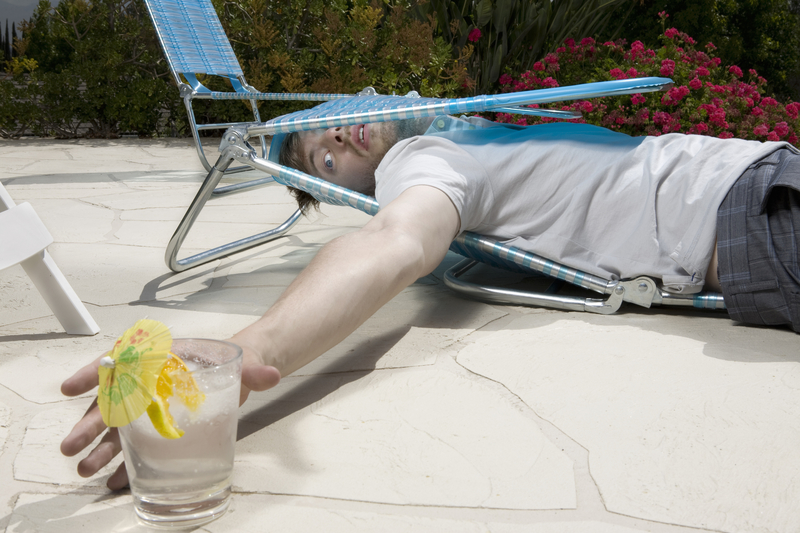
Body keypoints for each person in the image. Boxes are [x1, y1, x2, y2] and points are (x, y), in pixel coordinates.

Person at [61, 114, 800, 489]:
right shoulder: (422, 164)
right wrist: (247, 352)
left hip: (760, 173)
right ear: (351, 181)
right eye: (326, 157)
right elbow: (393, 243)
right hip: (755, 215)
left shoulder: (456, 129)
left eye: (328, 122)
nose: (339, 135)